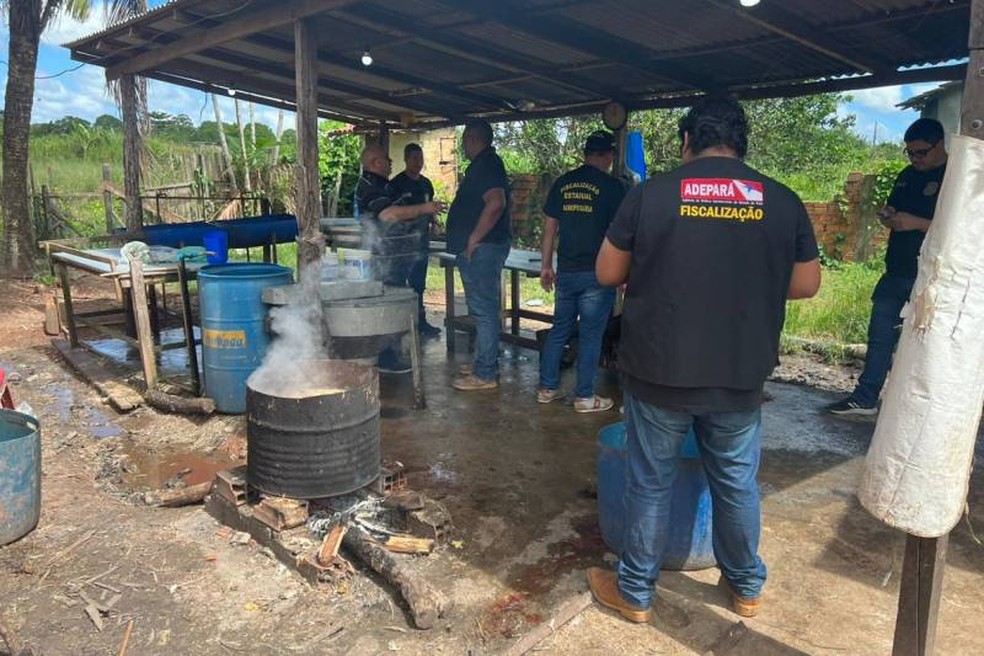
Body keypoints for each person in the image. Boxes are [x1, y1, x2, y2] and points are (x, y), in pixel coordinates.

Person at [588, 96, 821, 622]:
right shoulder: (782, 201)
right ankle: (745, 587)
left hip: (658, 371)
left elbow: (606, 272)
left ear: (686, 141)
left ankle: (637, 595)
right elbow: (806, 283)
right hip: (739, 372)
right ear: (742, 143)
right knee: (736, 483)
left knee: (650, 482)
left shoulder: (650, 195)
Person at [827, 118, 948, 416]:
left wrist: (918, 224)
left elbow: (965, 231)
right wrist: (890, 215)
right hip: (895, 271)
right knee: (879, 336)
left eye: (921, 152)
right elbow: (896, 208)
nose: (915, 159)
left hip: (932, 277)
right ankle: (865, 397)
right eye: (910, 153)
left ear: (941, 145)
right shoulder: (907, 174)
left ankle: (918, 409)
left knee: (927, 346)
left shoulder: (956, 179)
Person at [537, 130, 625, 413]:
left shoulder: (563, 183)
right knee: (590, 335)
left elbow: (550, 228)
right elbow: (621, 234)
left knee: (560, 329)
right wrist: (624, 273)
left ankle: (546, 388)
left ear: (586, 154)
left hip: (567, 271)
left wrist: (546, 265)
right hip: (598, 274)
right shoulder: (613, 187)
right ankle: (584, 397)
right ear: (607, 156)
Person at [356, 143, 444, 372]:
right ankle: (386, 358)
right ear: (376, 163)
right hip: (382, 257)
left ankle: (391, 352)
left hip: (397, 255)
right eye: (387, 159)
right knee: (386, 304)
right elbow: (388, 214)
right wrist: (424, 209)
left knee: (397, 299)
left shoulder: (383, 184)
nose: (390, 163)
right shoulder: (370, 186)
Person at [446, 119, 512, 391]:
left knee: (484, 311)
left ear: (473, 139)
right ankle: (484, 362)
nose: (463, 145)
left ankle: (485, 374)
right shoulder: (487, 164)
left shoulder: (486, 165)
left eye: (464, 140)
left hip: (482, 249)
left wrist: (473, 239)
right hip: (485, 247)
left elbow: (496, 203)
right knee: (483, 309)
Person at [391, 143, 442, 339]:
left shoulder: (426, 184)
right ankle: (401, 323)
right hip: (402, 243)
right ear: (405, 160)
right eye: (414, 159)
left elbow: (430, 210)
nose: (418, 163)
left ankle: (421, 322)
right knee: (399, 283)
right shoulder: (396, 185)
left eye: (420, 159)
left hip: (422, 241)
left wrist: (435, 223)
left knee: (419, 283)